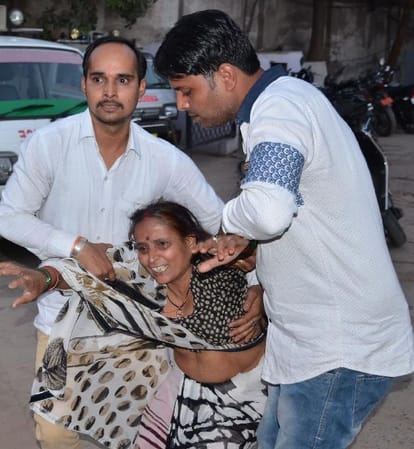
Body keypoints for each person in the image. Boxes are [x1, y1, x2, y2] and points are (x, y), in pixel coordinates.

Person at [153, 9, 414, 449]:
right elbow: (288, 214)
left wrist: (228, 224)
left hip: (336, 348)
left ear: (225, 75)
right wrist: (253, 261)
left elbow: (269, 210)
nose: (182, 105)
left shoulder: (280, 109)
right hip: (308, 345)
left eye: (186, 90)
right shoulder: (278, 105)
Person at [0, 34, 263, 449]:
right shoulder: (48, 145)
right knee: (55, 432)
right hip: (64, 319)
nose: (109, 91)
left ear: (141, 88)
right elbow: (8, 215)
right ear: (83, 84)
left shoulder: (166, 161)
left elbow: (224, 226)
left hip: (142, 324)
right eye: (99, 79)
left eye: (122, 80)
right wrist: (76, 246)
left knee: (140, 431)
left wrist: (256, 284)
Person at [0, 200, 267, 449]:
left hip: (241, 399)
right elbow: (86, 270)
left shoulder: (218, 271)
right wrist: (44, 279)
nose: (152, 258)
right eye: (143, 248)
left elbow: (268, 256)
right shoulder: (145, 276)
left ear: (189, 242)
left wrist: (261, 288)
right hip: (181, 388)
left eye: (163, 244)